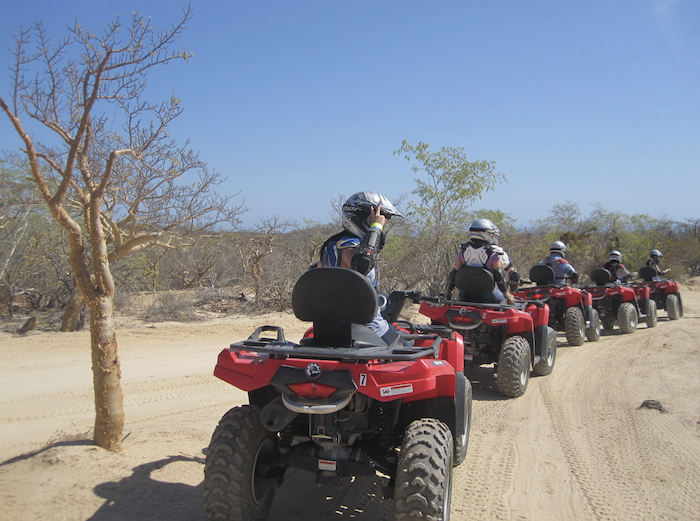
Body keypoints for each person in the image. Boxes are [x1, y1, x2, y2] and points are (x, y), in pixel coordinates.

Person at [314, 191, 404, 344]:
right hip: (369, 327)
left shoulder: (331, 245)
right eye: (375, 219)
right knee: (410, 350)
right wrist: (376, 227)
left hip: (329, 326)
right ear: (363, 219)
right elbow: (362, 266)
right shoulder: (349, 245)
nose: (383, 226)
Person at [447, 218, 514, 304]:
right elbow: (499, 275)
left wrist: (448, 293)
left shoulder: (463, 251)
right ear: (486, 234)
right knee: (509, 304)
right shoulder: (493, 254)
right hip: (488, 296)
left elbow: (453, 274)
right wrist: (506, 294)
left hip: (464, 295)